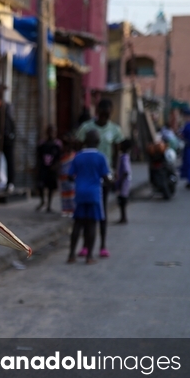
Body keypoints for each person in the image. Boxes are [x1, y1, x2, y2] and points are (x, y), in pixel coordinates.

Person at [75, 99, 123, 257]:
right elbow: (78, 148)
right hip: (87, 175)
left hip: (103, 175)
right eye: (102, 114)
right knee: (83, 213)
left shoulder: (115, 130)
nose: (104, 117)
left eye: (107, 115)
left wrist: (115, 171)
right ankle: (85, 245)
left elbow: (117, 152)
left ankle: (102, 245)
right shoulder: (87, 128)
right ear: (97, 112)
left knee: (101, 211)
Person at [67, 130, 111, 265]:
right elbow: (105, 176)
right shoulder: (101, 157)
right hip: (94, 194)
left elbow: (69, 175)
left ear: (85, 141)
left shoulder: (78, 156)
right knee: (92, 224)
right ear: (98, 142)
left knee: (78, 223)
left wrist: (79, 181)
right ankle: (89, 256)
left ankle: (71, 255)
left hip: (80, 192)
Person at [34, 125, 61, 212]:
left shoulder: (57, 145)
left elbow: (59, 157)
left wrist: (56, 166)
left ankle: (49, 205)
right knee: (40, 185)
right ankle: (42, 201)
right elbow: (38, 156)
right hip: (43, 168)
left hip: (52, 169)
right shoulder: (42, 144)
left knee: (51, 187)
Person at [57, 136, 78, 218]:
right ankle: (65, 210)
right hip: (63, 178)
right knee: (64, 195)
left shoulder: (75, 155)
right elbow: (59, 166)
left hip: (72, 178)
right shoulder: (62, 156)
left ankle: (72, 210)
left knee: (72, 195)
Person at [115, 139, 133, 224]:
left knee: (122, 201)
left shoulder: (124, 157)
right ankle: (123, 217)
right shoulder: (124, 156)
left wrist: (121, 181)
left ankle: (123, 217)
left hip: (123, 182)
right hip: (124, 181)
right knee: (122, 200)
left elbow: (126, 170)